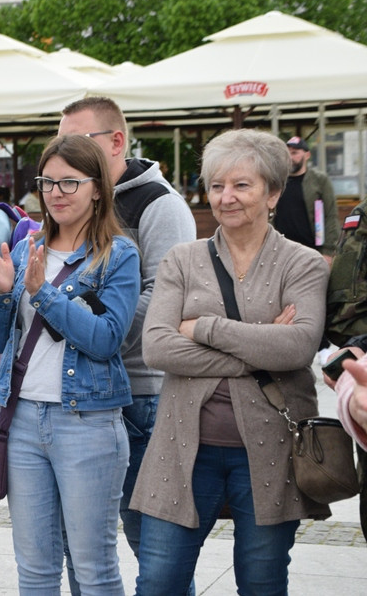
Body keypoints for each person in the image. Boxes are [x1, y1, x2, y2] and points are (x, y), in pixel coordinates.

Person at [133, 129, 331, 595]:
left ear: (273, 194)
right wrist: (261, 343)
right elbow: (157, 347)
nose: (226, 197)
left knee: (262, 581)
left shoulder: (301, 264)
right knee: (158, 581)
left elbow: (299, 348)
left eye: (242, 185)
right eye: (217, 185)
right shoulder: (182, 260)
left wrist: (202, 327)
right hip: (182, 448)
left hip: (273, 449)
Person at [0, 135, 140, 594]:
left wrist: (41, 293)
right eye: (49, 181)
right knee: (34, 569)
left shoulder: (118, 255)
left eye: (70, 182)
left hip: (86, 422)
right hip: (23, 419)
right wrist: (0, 294)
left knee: (93, 568)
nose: (57, 192)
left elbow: (106, 340)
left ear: (97, 189)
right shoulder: (29, 245)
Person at [58, 96, 196, 592]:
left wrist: (89, 328)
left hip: (143, 392)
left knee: (154, 549)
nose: (66, 153)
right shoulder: (80, 199)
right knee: (86, 543)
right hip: (87, 393)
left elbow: (166, 298)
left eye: (77, 141)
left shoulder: (160, 204)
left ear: (116, 142)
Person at [273, 135, 339, 264]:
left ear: (307, 155)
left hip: (312, 251)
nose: (290, 158)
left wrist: (328, 251)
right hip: (281, 252)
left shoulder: (319, 180)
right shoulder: (277, 181)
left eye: (295, 153)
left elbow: (331, 215)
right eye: (287, 154)